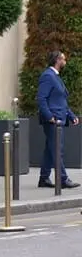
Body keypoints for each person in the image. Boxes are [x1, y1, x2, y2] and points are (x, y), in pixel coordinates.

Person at [36, 50, 80, 189]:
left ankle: (44, 178)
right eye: (63, 59)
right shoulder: (48, 76)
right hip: (53, 120)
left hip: (59, 118)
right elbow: (41, 98)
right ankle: (62, 179)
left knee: (50, 149)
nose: (65, 61)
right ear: (57, 60)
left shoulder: (55, 76)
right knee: (56, 149)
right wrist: (49, 117)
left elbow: (61, 100)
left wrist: (71, 116)